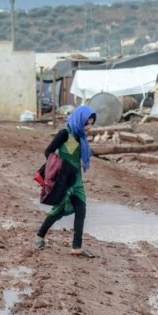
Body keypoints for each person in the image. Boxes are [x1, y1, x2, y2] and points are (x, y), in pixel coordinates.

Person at [34, 105, 96, 258]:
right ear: (79, 120)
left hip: (77, 179)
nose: (89, 127)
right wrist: (59, 167)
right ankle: (39, 237)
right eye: (86, 123)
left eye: (91, 123)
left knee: (81, 209)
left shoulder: (81, 136)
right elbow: (48, 151)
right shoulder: (65, 133)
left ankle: (76, 247)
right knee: (58, 210)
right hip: (64, 178)